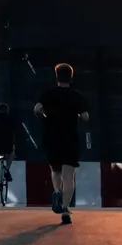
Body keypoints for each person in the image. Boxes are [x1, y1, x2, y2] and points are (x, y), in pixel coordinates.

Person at [35, 61, 90, 225]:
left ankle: (57, 191)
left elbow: (37, 109)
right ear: (71, 77)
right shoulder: (77, 96)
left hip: (52, 135)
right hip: (70, 136)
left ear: (56, 76)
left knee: (55, 169)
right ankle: (65, 209)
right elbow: (86, 116)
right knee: (69, 175)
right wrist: (78, 117)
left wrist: (45, 116)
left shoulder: (48, 94)